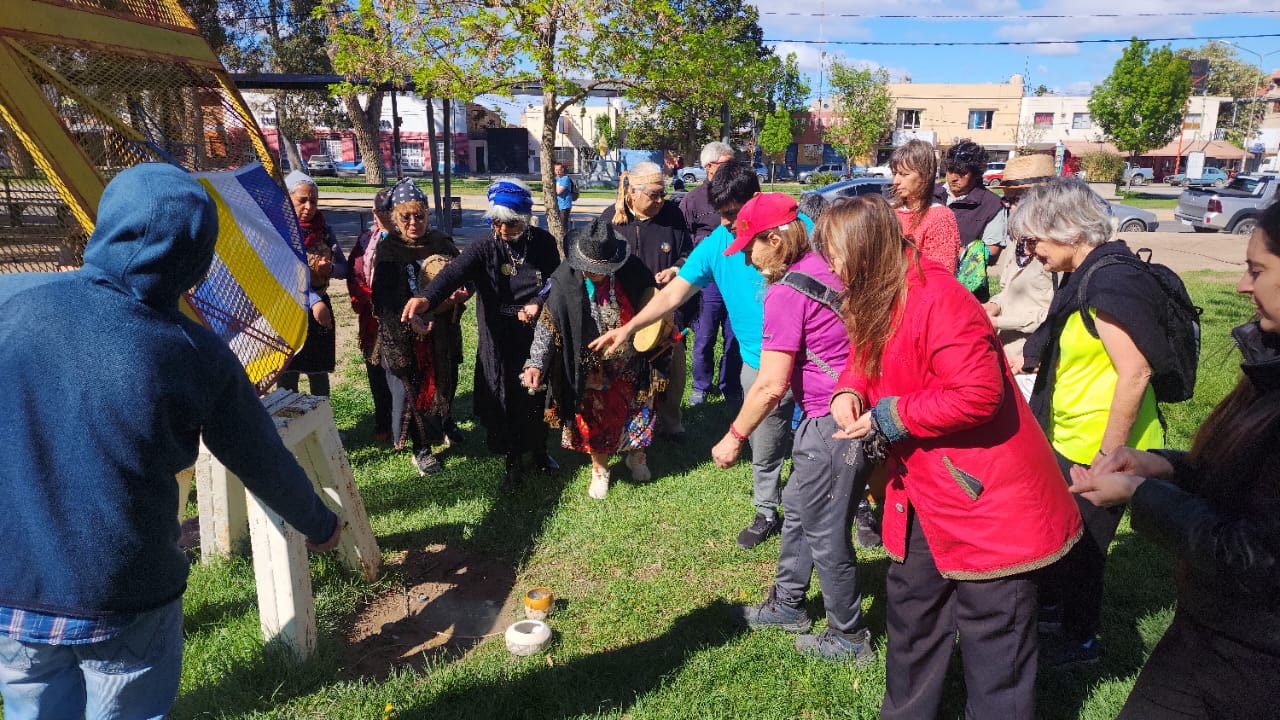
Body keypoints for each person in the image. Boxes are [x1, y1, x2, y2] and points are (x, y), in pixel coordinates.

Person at [0, 163, 340, 719]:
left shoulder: (13, 300)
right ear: (199, 262)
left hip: (14, 586)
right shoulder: (194, 352)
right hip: (125, 590)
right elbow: (261, 460)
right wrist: (320, 525)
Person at [826, 194, 1082, 719]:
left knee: (996, 637)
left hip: (986, 496)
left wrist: (888, 416)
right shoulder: (882, 293)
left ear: (869, 248)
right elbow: (863, 354)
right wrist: (847, 390)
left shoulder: (940, 299)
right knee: (913, 615)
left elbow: (978, 394)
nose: (831, 267)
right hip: (923, 492)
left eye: (835, 254)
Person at [1067, 202, 1280, 718]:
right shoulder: (1270, 366)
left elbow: (1256, 553)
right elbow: (1248, 483)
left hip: (1251, 662)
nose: (1242, 287)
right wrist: (1169, 467)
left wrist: (1142, 495)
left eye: (1258, 271)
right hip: (1213, 630)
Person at [592, 161, 795, 550]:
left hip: (812, 361)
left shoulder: (799, 230)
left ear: (756, 200)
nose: (726, 224)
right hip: (759, 360)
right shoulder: (720, 242)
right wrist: (630, 328)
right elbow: (673, 294)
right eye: (719, 214)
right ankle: (766, 510)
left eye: (732, 215)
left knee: (812, 443)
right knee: (766, 445)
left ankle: (836, 505)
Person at [1010, 177, 1167, 669]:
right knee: (1061, 537)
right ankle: (1055, 615)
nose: (1029, 250)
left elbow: (1136, 371)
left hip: (1105, 444)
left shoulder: (1111, 280)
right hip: (1069, 435)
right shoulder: (1083, 274)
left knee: (1085, 552)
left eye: (1034, 239)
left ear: (1069, 230)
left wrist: (1108, 458)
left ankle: (1079, 644)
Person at [711, 193, 874, 662]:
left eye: (749, 246)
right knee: (800, 507)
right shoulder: (825, 267)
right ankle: (787, 603)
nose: (744, 256)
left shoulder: (786, 293)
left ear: (776, 238)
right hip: (834, 415)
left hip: (832, 424)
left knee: (825, 530)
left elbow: (770, 385)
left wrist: (734, 437)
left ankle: (848, 636)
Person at [403, 180, 561, 489]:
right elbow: (453, 273)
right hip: (498, 336)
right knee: (506, 395)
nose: (503, 229)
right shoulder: (483, 245)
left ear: (525, 217)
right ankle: (513, 458)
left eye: (510, 223)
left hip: (534, 334)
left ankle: (540, 450)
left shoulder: (541, 242)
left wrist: (537, 302)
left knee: (536, 391)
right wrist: (428, 299)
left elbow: (554, 280)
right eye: (497, 222)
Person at [521, 218, 658, 500]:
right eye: (590, 269)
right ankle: (600, 470)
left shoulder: (632, 270)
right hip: (590, 367)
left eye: (601, 270)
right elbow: (549, 326)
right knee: (596, 419)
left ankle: (636, 456)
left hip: (632, 361)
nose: (594, 274)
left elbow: (654, 302)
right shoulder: (564, 279)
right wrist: (534, 363)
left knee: (638, 410)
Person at [373, 178, 468, 475]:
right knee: (416, 391)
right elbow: (384, 299)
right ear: (396, 217)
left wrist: (463, 293)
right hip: (409, 336)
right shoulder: (390, 251)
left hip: (443, 329)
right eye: (406, 217)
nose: (414, 223)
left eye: (420, 216)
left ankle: (445, 423)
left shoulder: (441, 242)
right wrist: (410, 321)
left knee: (447, 379)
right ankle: (421, 447)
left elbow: (466, 276)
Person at [604, 161, 693, 440]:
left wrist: (676, 269)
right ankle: (630, 423)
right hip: (625, 308)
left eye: (662, 194)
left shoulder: (673, 217)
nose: (659, 200)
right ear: (632, 192)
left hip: (666, 307)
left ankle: (671, 422)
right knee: (627, 369)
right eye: (653, 195)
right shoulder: (611, 219)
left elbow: (688, 254)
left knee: (672, 366)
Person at [981, 154, 1058, 401]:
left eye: (1018, 200)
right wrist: (993, 305)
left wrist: (1000, 322)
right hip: (1008, 353)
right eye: (1008, 200)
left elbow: (1054, 314)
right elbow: (1007, 289)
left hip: (1037, 360)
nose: (1011, 208)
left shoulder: (1059, 250)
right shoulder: (1018, 238)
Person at [680, 141, 743, 406]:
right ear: (709, 167)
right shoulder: (693, 199)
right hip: (708, 282)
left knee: (734, 336)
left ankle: (730, 387)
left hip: (738, 276)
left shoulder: (740, 194)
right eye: (728, 164)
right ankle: (701, 387)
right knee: (704, 336)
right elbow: (682, 238)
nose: (734, 169)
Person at [279, 169, 348, 396]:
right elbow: (283, 274)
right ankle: (289, 428)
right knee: (288, 373)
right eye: (302, 200)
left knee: (318, 372)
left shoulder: (324, 231)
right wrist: (314, 301)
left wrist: (330, 269)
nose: (309, 207)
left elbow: (344, 268)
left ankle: (324, 426)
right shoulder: (277, 231)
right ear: (288, 199)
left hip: (319, 309)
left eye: (313, 201)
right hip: (289, 308)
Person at [348, 188, 394, 441]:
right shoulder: (366, 241)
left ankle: (405, 421)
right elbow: (355, 275)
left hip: (401, 316)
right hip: (373, 318)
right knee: (376, 371)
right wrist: (369, 298)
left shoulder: (407, 239)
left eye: (390, 208)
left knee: (401, 372)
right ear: (374, 212)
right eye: (381, 209)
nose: (385, 214)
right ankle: (383, 422)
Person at [935, 139, 1006, 301]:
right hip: (928, 283)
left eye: (962, 173)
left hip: (964, 291)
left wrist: (953, 250)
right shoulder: (931, 194)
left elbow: (992, 253)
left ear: (976, 174)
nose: (953, 177)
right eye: (950, 170)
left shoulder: (991, 204)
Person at [889, 139, 960, 273]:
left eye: (904, 174)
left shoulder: (940, 217)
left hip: (917, 291)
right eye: (895, 174)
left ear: (924, 175)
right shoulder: (890, 212)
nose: (895, 181)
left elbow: (940, 274)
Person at [554, 162, 573, 236]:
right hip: (558, 205)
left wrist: (552, 188)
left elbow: (558, 191)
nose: (558, 172)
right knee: (558, 225)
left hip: (565, 205)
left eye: (559, 170)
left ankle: (565, 239)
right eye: (556, 170)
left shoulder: (565, 179)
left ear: (563, 170)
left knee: (563, 226)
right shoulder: (556, 179)